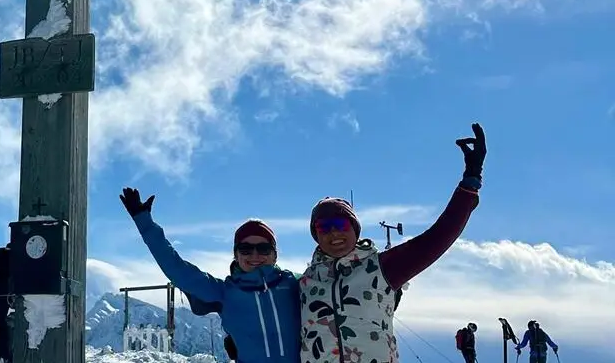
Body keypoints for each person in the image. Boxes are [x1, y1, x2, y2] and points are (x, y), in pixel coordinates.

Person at [298, 123, 488, 363]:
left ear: (355, 230)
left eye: (341, 224)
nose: (334, 233)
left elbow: (438, 237)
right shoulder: (305, 282)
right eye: (323, 227)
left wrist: (471, 180)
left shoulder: (381, 267)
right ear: (315, 235)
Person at [120, 187, 301, 363]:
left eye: (263, 248)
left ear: (275, 254)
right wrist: (144, 223)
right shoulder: (224, 293)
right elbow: (177, 269)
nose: (255, 255)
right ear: (236, 255)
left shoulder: (296, 283)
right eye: (245, 249)